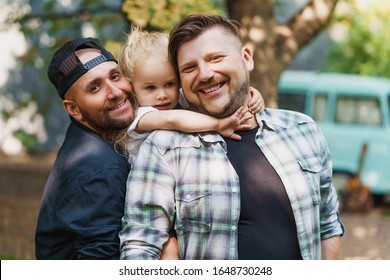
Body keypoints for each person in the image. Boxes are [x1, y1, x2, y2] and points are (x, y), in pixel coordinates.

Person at [119, 14, 344, 260]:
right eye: (189, 68)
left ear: (246, 58)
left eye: (216, 58)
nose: (204, 74)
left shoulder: (303, 130)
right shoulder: (162, 148)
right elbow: (139, 249)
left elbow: (328, 225)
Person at [35, 37, 138, 259]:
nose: (116, 92)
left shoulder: (85, 140)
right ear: (74, 109)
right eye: (95, 88)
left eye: (115, 76)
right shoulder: (100, 166)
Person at [117, 27, 264, 165]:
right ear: (133, 89)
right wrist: (219, 125)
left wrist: (250, 94)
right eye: (150, 88)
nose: (162, 95)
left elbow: (209, 96)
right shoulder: (139, 115)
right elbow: (171, 120)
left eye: (169, 84)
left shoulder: (175, 98)